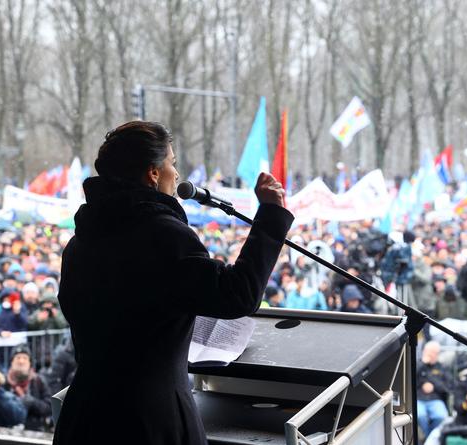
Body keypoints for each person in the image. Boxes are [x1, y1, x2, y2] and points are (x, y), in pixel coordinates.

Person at [53, 121, 293, 445]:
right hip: (150, 420)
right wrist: (271, 217)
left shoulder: (79, 245)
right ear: (153, 173)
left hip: (86, 417)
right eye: (172, 163)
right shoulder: (164, 236)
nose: (177, 175)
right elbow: (238, 294)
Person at [3, 344, 52, 431]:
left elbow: (49, 408)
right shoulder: (4, 382)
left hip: (35, 430)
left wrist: (33, 402)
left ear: (30, 363)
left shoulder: (39, 381)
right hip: (8, 430)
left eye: (25, 358)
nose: (21, 361)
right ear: (12, 362)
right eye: (18, 358)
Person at [416, 341, 450, 438]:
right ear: (424, 352)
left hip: (436, 399)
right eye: (429, 352)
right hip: (418, 399)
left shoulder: (442, 367)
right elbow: (409, 379)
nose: (431, 355)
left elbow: (447, 388)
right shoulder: (418, 365)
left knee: (441, 416)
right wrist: (423, 364)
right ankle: (429, 439)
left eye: (434, 353)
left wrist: (433, 385)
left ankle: (429, 440)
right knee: (420, 415)